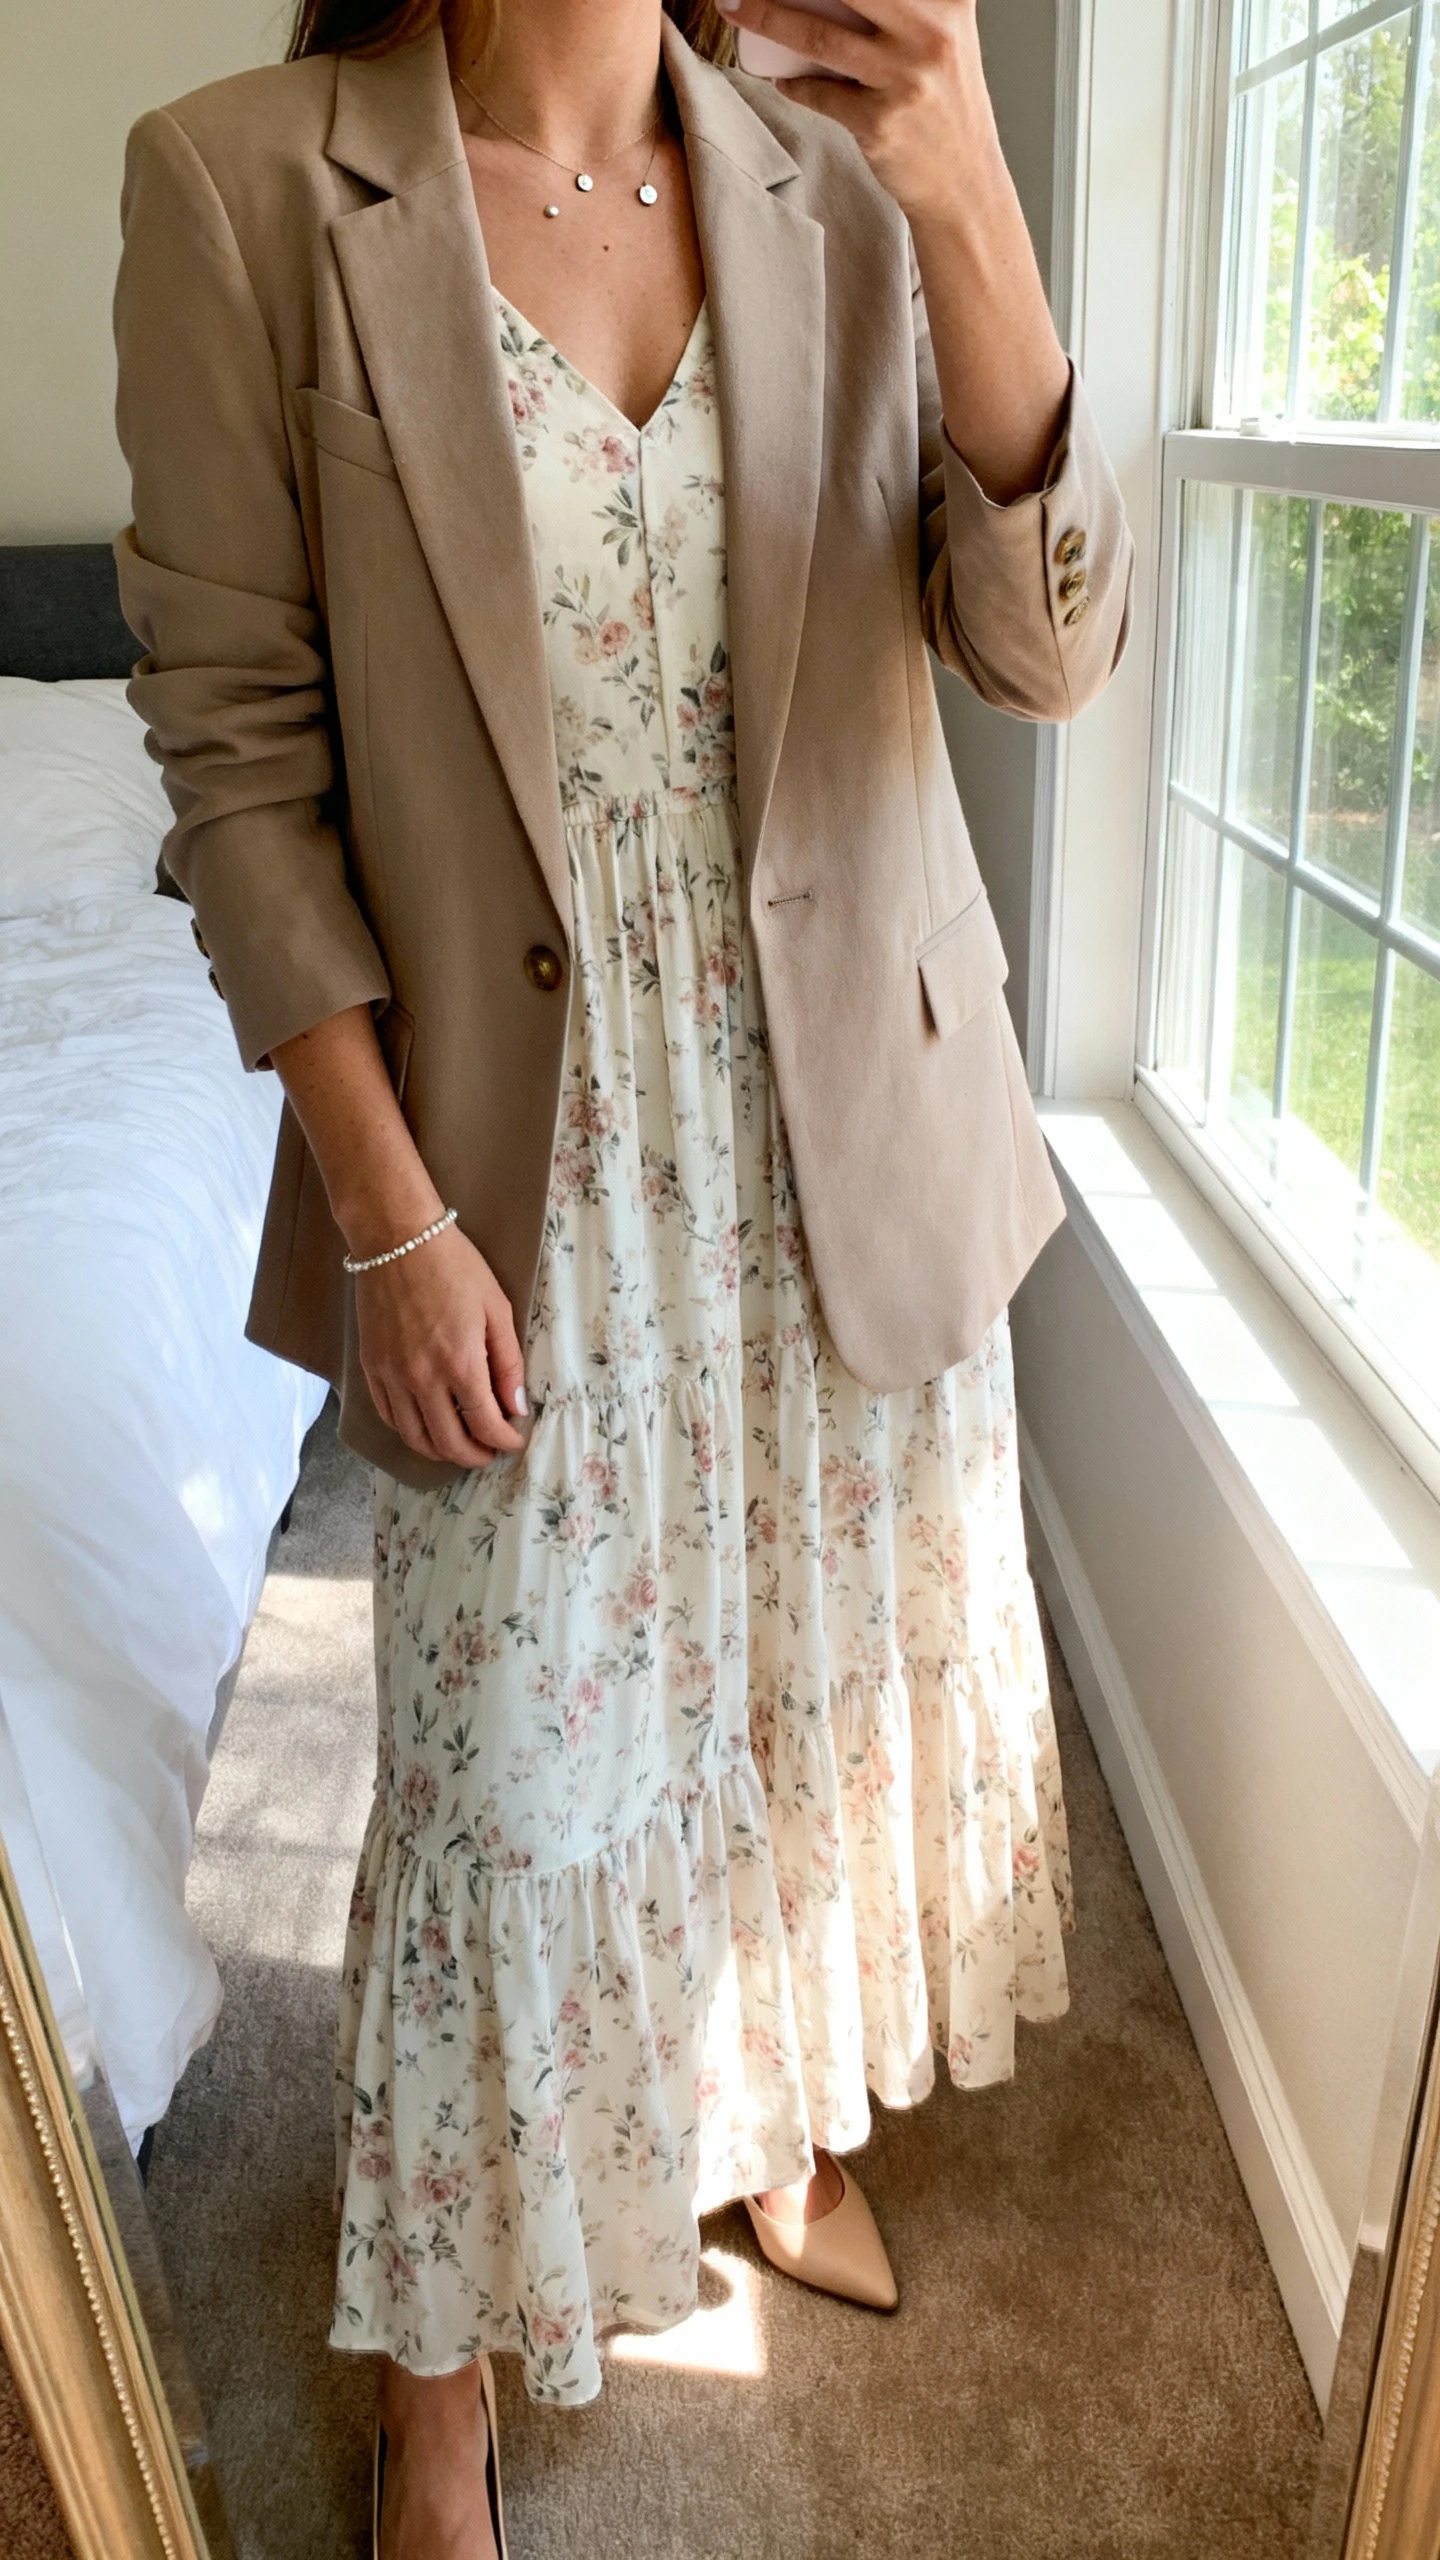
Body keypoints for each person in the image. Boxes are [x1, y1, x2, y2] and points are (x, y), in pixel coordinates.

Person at [113, 0, 1132, 2549]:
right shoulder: (245, 181)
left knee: (802, 1677)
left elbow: (1045, 646)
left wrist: (968, 175)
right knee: (506, 1779)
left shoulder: (846, 168)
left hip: (846, 1116)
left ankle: (761, 2116)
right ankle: (437, 2376)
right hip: (510, 1161)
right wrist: (388, 1211)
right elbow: (238, 752)